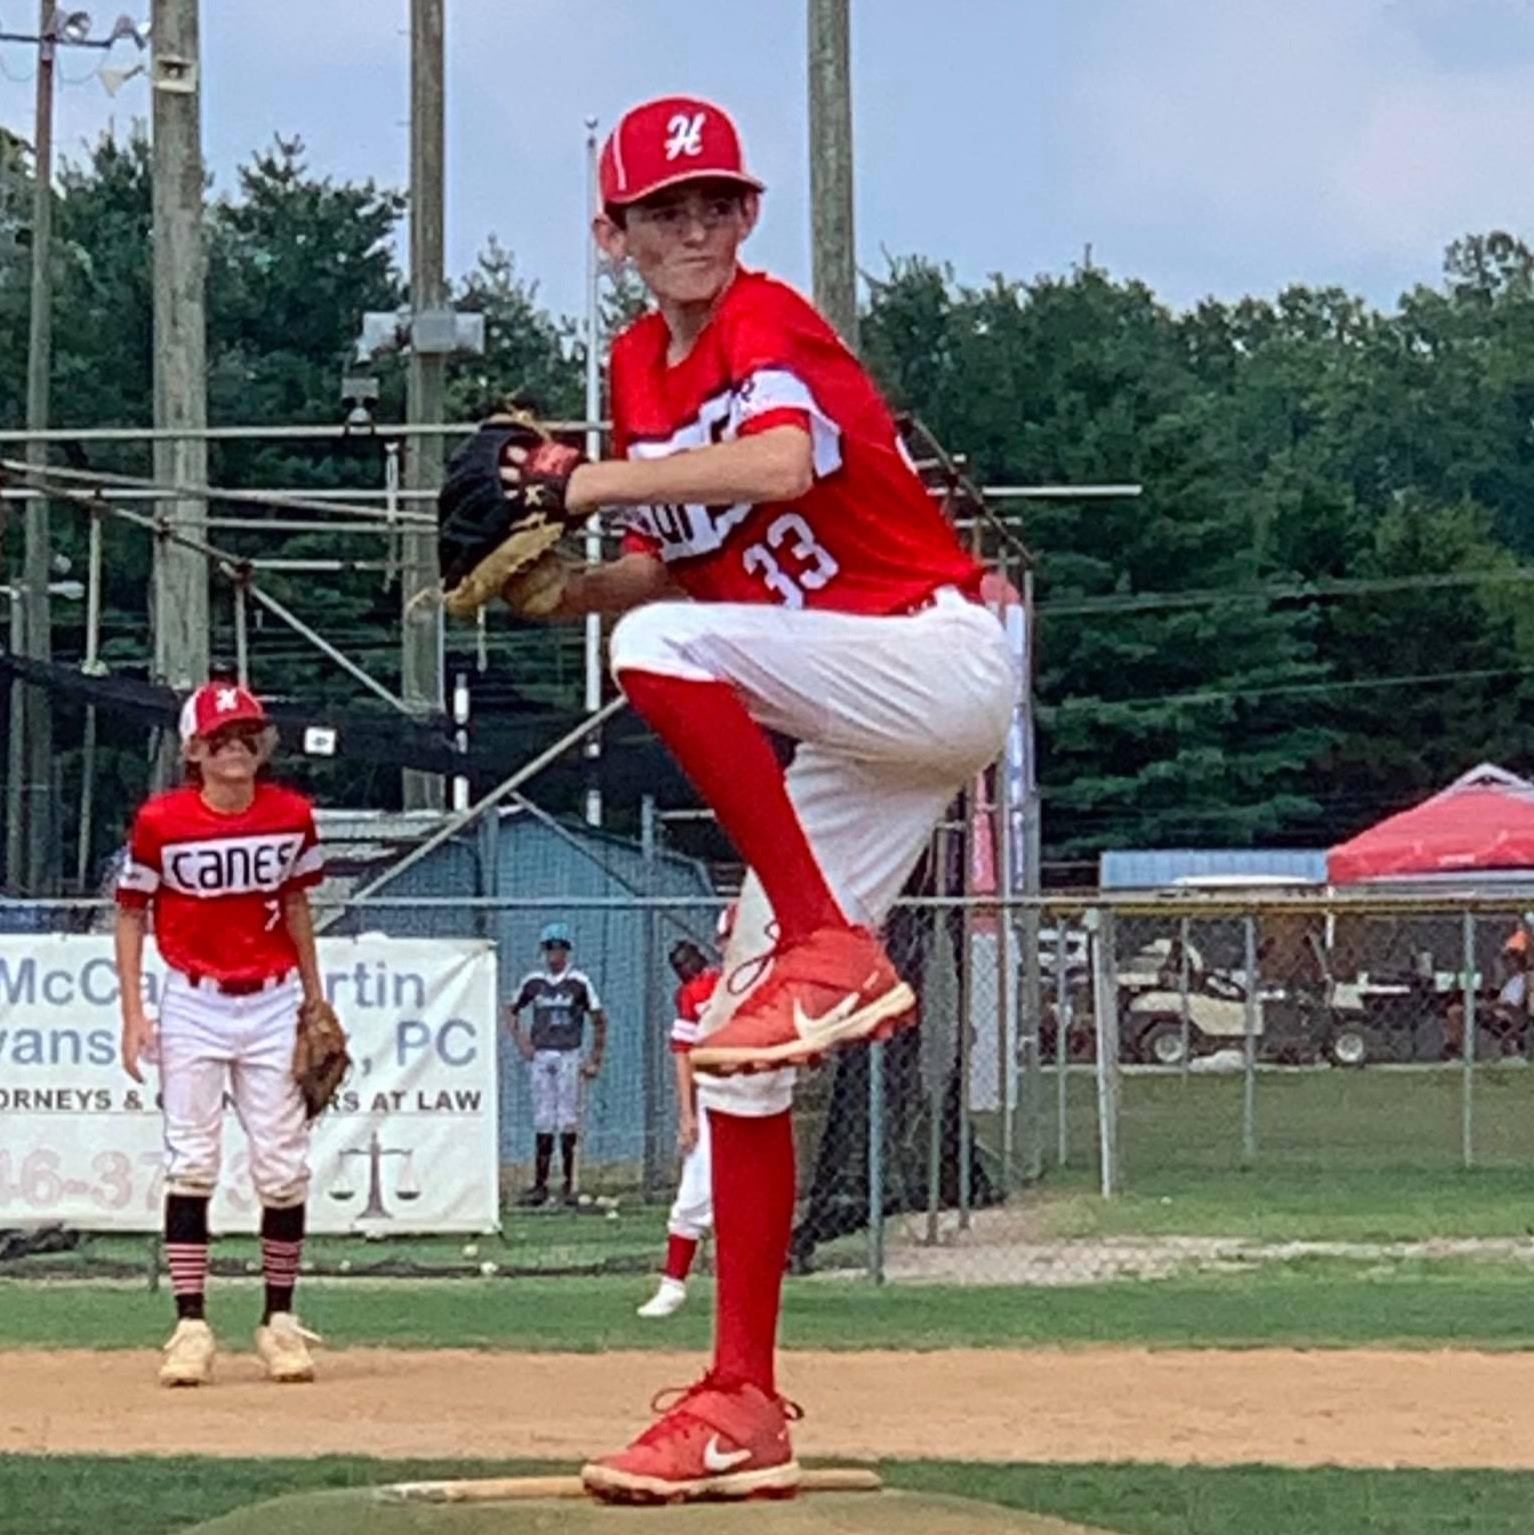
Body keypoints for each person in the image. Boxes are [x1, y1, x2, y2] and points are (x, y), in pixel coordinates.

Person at [503, 95, 1013, 1503]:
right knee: (740, 1043)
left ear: (748, 215)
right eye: (661, 208)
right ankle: (739, 1398)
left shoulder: (764, 320)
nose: (692, 226)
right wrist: (560, 586)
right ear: (611, 232)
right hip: (853, 705)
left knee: (659, 649)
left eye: (714, 202)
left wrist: (584, 482)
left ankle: (829, 940)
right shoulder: (636, 367)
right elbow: (688, 560)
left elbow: (780, 463)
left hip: (929, 654)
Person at [115, 679, 327, 1388]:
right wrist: (134, 1013)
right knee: (192, 1162)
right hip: (194, 999)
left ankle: (280, 1320)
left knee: (284, 1167)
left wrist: (315, 999)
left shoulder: (291, 815)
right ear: (194, 750)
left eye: (246, 735)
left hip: (272, 998)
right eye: (220, 737)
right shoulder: (161, 821)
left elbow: (296, 903)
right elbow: (131, 911)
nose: (235, 747)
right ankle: (190, 1325)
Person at [637, 924, 727, 1319]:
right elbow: (682, 1053)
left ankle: (745, 1289)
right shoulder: (695, 992)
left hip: (757, 1101)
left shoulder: (757, 982)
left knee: (748, 1203)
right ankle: (673, 1284)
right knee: (693, 1195)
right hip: (713, 1098)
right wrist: (687, 1115)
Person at [505, 923, 606, 1205]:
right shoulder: (534, 982)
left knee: (568, 1117)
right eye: (549, 948)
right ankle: (540, 1184)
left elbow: (598, 1019)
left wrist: (594, 1057)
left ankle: (568, 1184)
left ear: (567, 951)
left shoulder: (578, 982)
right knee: (543, 1116)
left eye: (559, 948)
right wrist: (522, 1042)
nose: (554, 954)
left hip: (568, 1052)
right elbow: (511, 1009)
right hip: (542, 1053)